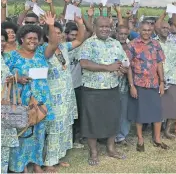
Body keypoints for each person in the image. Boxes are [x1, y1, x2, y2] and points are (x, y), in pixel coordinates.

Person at [3, 11, 58, 173]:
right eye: (29, 38)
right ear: (22, 39)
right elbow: (4, 76)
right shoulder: (11, 56)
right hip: (22, 101)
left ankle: (36, 164)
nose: (33, 41)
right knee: (22, 133)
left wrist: (51, 25)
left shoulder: (41, 53)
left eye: (35, 38)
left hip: (40, 100)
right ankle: (22, 166)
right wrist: (17, 78)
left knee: (39, 133)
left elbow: (54, 44)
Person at [79, 17, 128, 166]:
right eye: (102, 26)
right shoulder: (88, 43)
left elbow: (124, 62)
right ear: (95, 27)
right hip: (92, 89)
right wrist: (108, 67)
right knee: (91, 121)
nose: (105, 29)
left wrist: (122, 69)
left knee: (112, 119)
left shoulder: (116, 44)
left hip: (112, 88)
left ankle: (111, 149)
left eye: (108, 26)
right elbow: (84, 63)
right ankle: (93, 152)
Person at [43, 16, 85, 172]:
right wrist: (50, 25)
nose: (59, 35)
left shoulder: (65, 47)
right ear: (47, 36)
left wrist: (80, 23)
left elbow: (80, 40)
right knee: (54, 129)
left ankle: (57, 157)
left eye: (60, 32)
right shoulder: (44, 50)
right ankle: (48, 162)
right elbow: (52, 45)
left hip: (67, 95)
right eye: (54, 32)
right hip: (54, 97)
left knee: (65, 127)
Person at [126, 21, 169, 152]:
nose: (146, 32)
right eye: (144, 30)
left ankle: (157, 139)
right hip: (138, 84)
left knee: (157, 112)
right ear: (139, 30)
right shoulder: (132, 45)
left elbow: (160, 64)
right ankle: (140, 139)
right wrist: (131, 85)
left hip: (154, 83)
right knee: (140, 112)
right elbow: (127, 67)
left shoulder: (156, 44)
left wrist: (162, 82)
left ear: (152, 31)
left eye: (149, 30)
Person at [154, 21, 176, 139]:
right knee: (157, 107)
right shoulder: (153, 43)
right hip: (157, 80)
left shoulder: (173, 43)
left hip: (172, 79)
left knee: (171, 106)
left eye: (167, 27)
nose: (165, 29)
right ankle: (156, 132)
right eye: (163, 27)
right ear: (157, 29)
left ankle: (167, 131)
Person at [1, 29, 19, 174]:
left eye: (2, 40)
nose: (1, 43)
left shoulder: (1, 58)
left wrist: (11, 79)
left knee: (4, 143)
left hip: (5, 106)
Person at [115, 25, 131, 145]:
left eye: (125, 34)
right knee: (112, 111)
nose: (123, 36)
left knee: (124, 111)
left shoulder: (131, 47)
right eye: (120, 33)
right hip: (111, 84)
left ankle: (122, 136)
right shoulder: (111, 46)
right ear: (116, 33)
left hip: (125, 84)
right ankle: (111, 135)